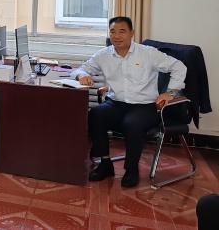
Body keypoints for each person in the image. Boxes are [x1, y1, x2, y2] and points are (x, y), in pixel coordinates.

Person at [71, 16, 187, 188]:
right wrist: (82, 75)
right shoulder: (104, 55)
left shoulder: (148, 53)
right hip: (116, 103)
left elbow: (179, 67)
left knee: (131, 124)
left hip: (145, 106)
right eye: (113, 31)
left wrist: (170, 93)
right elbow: (81, 69)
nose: (117, 36)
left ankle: (131, 170)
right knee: (95, 114)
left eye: (122, 31)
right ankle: (105, 164)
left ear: (132, 33)